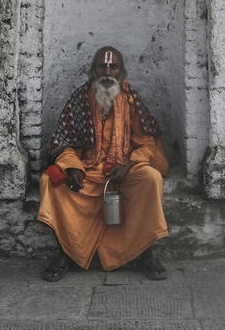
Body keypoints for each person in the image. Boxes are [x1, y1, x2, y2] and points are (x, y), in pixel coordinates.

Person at [37, 46, 170, 281]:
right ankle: (64, 255)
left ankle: (147, 256)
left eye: (113, 66)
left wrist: (128, 166)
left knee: (151, 178)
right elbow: (63, 142)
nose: (107, 71)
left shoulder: (131, 100)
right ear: (93, 70)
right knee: (51, 180)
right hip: (88, 171)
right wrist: (73, 166)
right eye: (102, 66)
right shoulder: (79, 99)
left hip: (124, 170)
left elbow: (146, 143)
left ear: (121, 71)